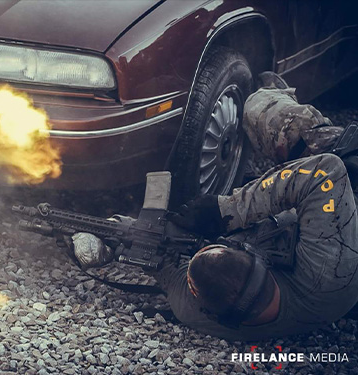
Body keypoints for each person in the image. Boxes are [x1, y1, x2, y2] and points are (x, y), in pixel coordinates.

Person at [68, 74, 358, 340]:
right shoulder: (327, 273)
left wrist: (110, 236)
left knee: (262, 116)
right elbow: (327, 171)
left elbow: (159, 255)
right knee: (269, 112)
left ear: (195, 294)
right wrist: (227, 210)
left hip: (303, 217)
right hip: (345, 209)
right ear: (259, 259)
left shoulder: (194, 310)